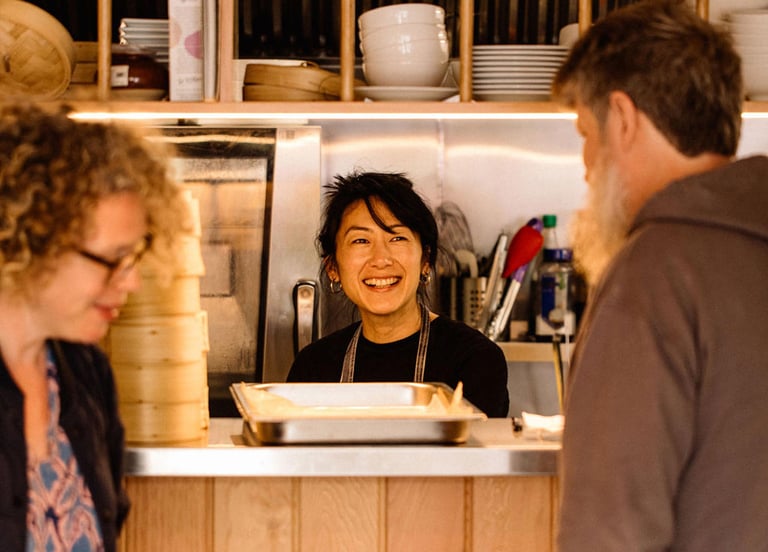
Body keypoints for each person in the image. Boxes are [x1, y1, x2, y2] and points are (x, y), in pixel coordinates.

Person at [551, 1, 768, 550]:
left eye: (585, 133)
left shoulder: (655, 273)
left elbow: (610, 531)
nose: (585, 161)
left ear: (622, 119)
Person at [0, 103, 189, 551]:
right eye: (112, 259)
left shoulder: (86, 373)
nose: (132, 281)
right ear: (31, 242)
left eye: (134, 256)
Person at [287, 171, 509, 417]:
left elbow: (476, 454)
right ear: (333, 268)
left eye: (397, 237)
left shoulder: (474, 360)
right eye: (361, 240)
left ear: (425, 260)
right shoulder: (314, 367)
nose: (381, 259)